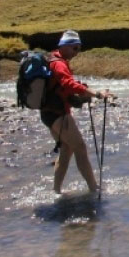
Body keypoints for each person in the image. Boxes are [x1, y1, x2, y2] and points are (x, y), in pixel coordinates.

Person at [41, 30, 110, 194]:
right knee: (80, 147)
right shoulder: (59, 63)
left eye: (79, 48)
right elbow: (68, 84)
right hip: (58, 114)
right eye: (75, 48)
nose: (77, 52)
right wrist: (96, 93)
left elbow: (62, 86)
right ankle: (94, 188)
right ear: (64, 46)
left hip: (48, 113)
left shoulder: (54, 59)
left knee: (67, 149)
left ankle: (56, 191)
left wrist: (82, 93)